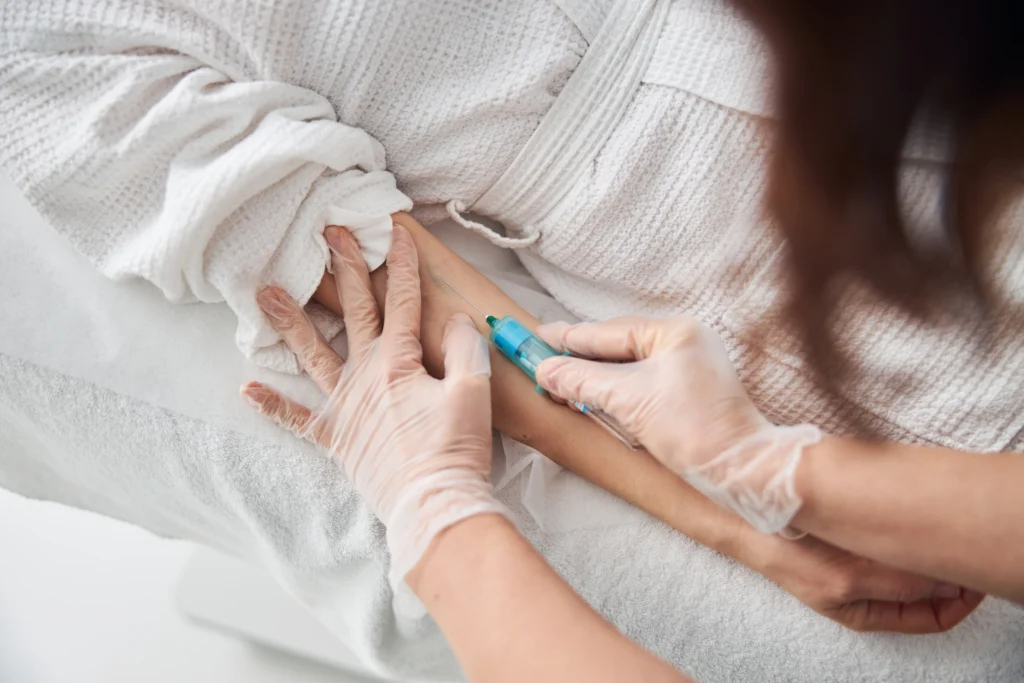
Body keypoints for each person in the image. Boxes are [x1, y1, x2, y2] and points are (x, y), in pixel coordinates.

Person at [2, 0, 1023, 680]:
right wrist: (742, 511)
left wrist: (439, 516)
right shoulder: (55, 55)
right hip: (774, 252)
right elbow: (385, 276)